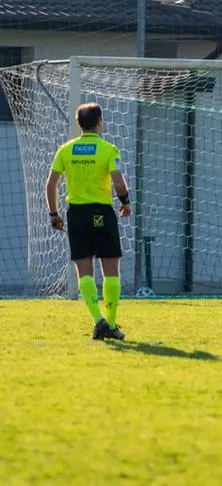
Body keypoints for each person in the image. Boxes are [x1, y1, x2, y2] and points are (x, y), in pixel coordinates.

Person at [46, 102, 131, 340]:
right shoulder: (108, 149)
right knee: (111, 271)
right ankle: (111, 324)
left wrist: (54, 214)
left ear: (78, 123)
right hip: (101, 213)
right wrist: (125, 202)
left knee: (84, 271)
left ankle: (98, 320)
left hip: (76, 214)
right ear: (100, 122)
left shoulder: (65, 149)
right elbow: (118, 182)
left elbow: (51, 184)